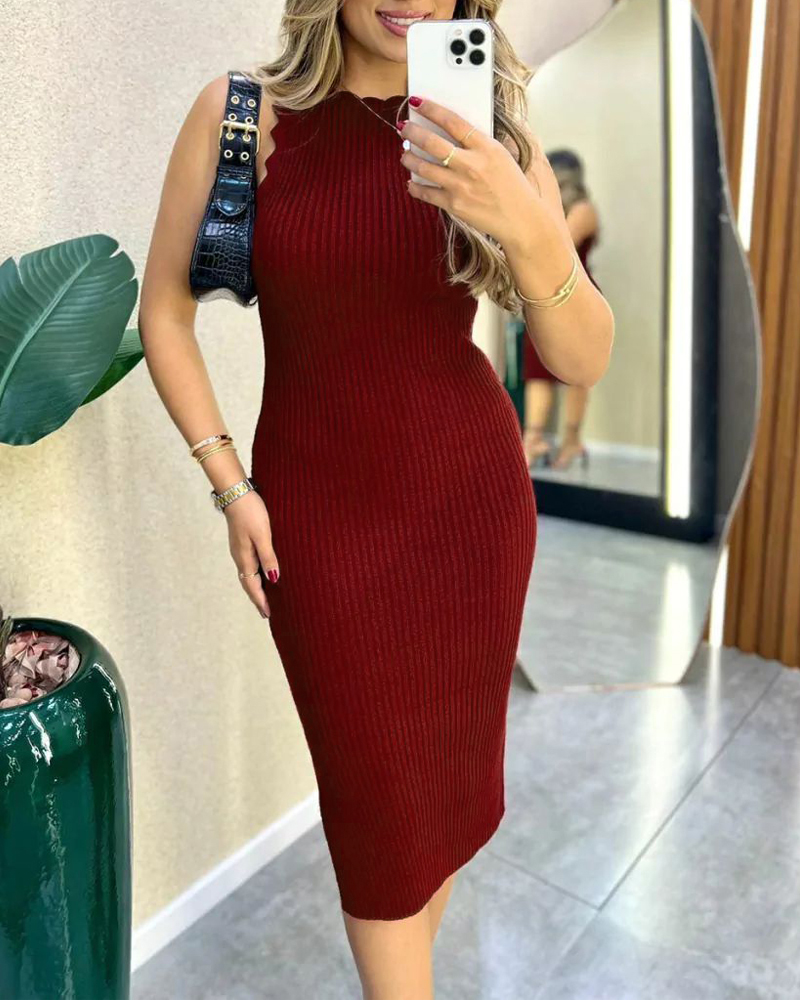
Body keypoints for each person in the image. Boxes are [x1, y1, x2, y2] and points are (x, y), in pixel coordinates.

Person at [137, 1, 614, 997]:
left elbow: (581, 358)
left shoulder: (485, 128)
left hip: (471, 516)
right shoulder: (242, 116)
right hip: (320, 530)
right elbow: (165, 313)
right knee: (377, 832)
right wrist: (231, 485)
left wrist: (525, 226)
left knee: (433, 811)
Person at [521, 148, 602, 470]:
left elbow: (558, 247)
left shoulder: (583, 210)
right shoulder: (548, 207)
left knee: (577, 372)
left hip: (576, 295)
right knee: (537, 370)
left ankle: (571, 441)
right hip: (546, 294)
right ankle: (533, 439)